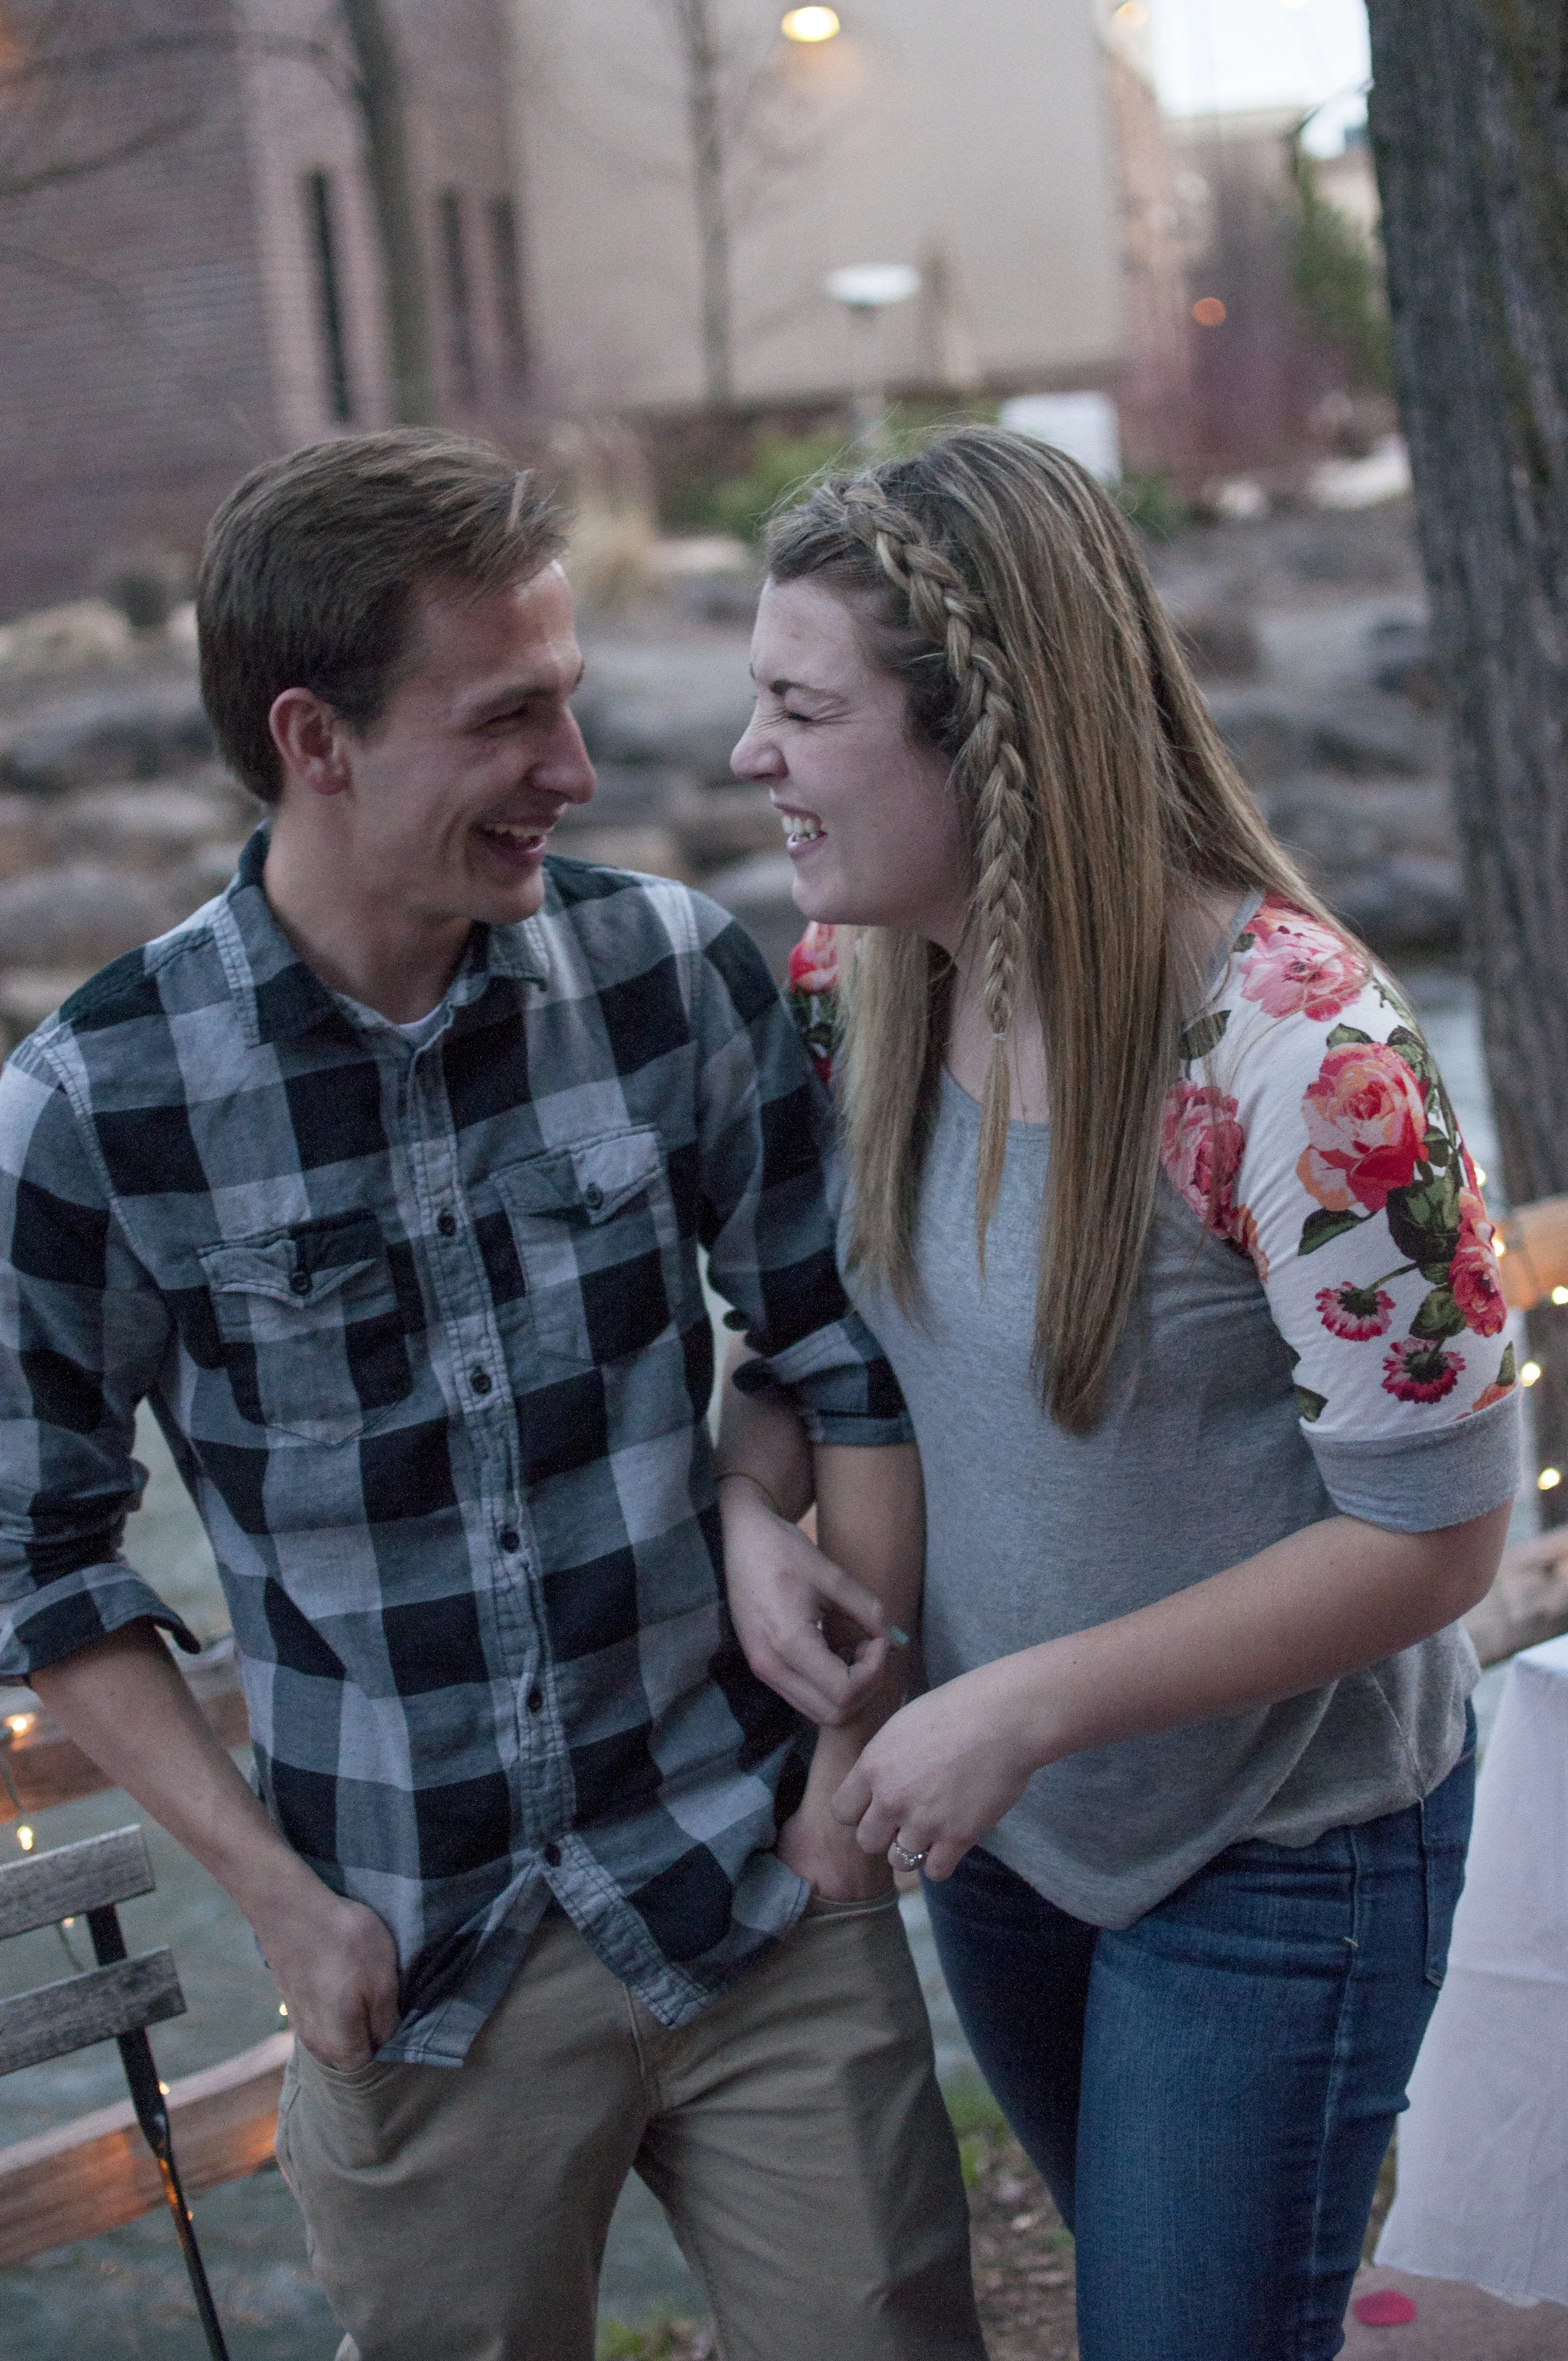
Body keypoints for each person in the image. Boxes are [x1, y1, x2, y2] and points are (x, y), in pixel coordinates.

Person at [0, 430, 985, 2361]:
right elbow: (43, 1565)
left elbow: (832, 1344)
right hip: (410, 1970)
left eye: (573, 703)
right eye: (509, 717)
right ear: (318, 737)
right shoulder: (93, 1111)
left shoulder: (675, 979)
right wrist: (283, 1905)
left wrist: (846, 1790)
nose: (579, 773)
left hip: (756, 1892)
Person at [718, 425, 1520, 2361]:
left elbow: (1436, 1539)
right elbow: (805, 1342)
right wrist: (751, 1506)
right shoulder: (854, 980)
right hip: (1017, 1843)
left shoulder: (1299, 1051)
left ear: (975, 745)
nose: (749, 756)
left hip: (1282, 1849)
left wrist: (1017, 1700)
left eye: (799, 708)